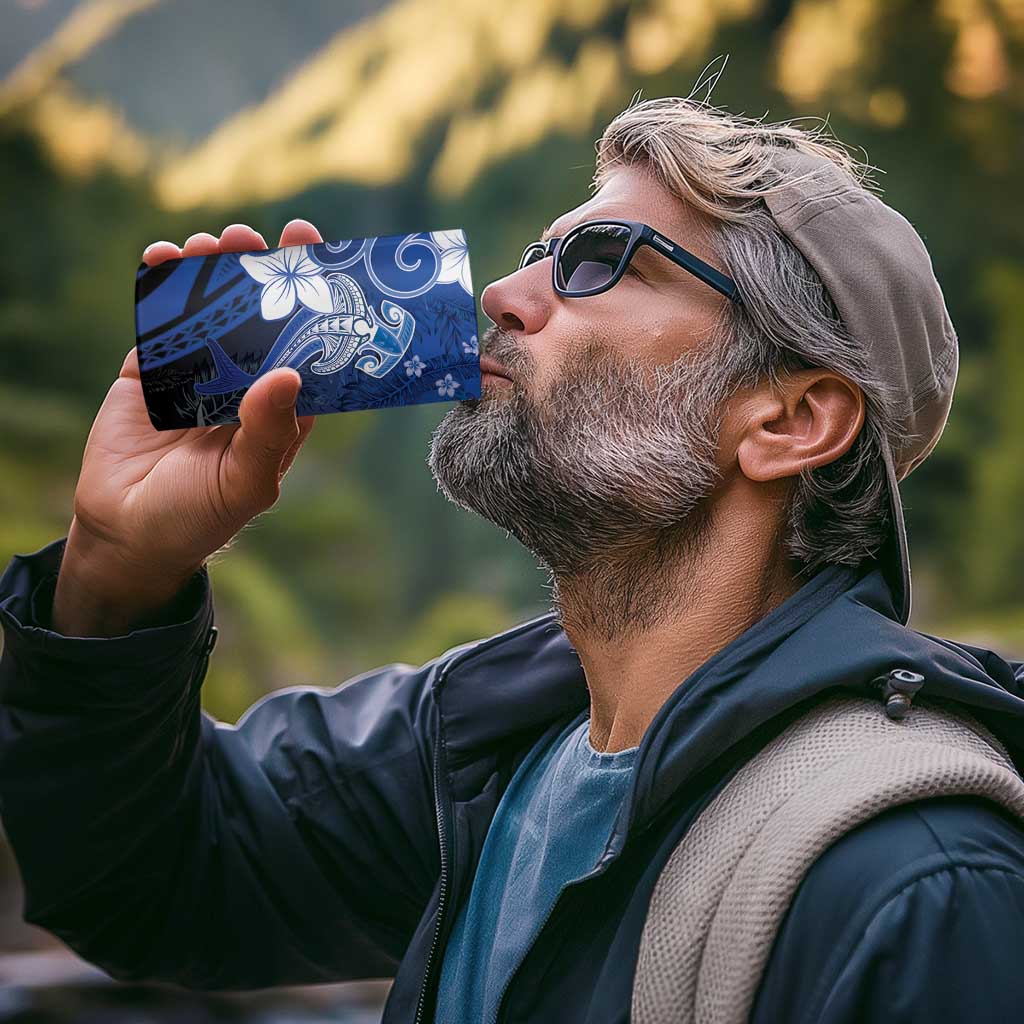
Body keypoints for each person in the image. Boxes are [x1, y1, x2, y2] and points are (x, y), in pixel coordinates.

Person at [2, 94, 1024, 1024]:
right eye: (540, 252)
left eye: (599, 262)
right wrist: (116, 571)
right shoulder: (480, 748)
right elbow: (148, 880)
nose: (501, 291)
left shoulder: (918, 884)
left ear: (790, 419)